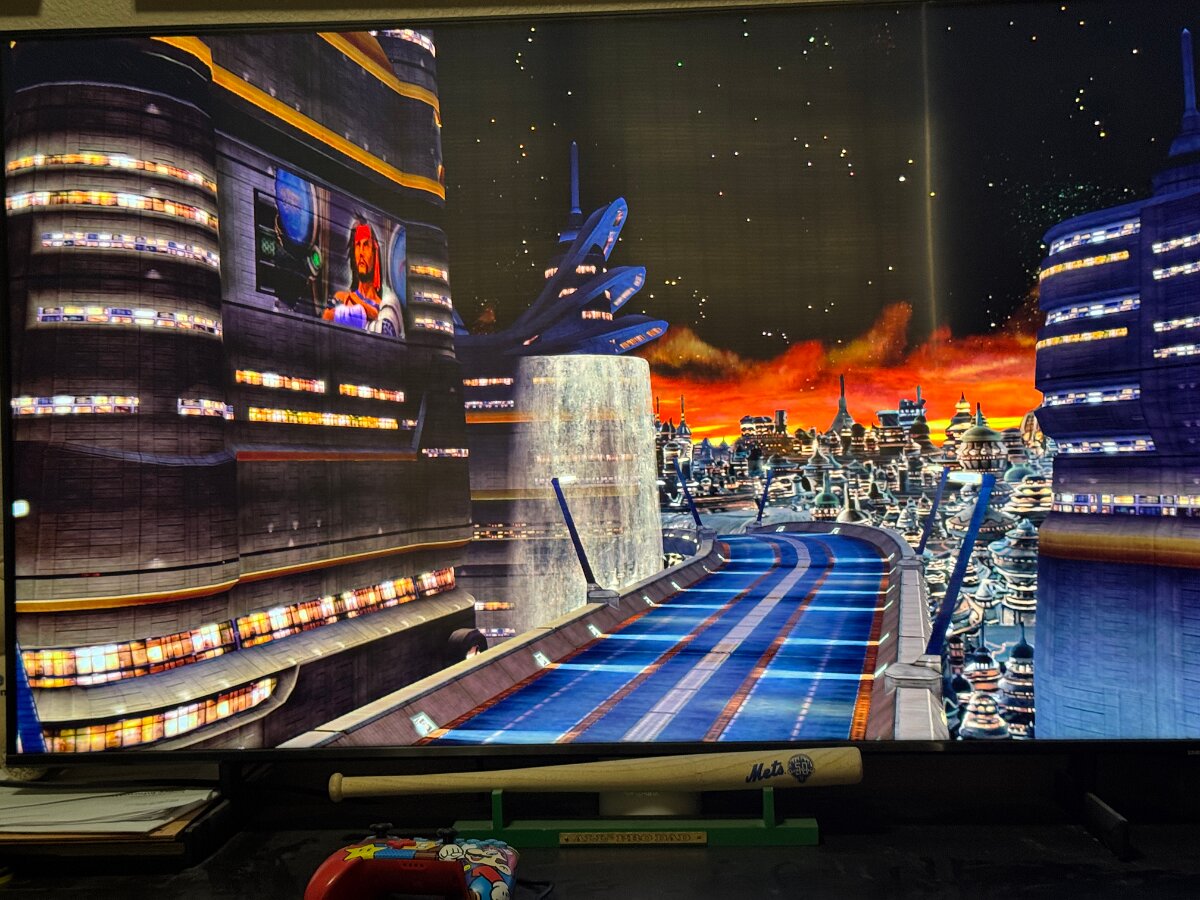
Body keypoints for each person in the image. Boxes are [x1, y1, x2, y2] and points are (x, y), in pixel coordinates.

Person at [325, 221, 383, 330]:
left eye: (366, 245)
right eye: (358, 245)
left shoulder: (382, 307)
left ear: (374, 252)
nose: (361, 252)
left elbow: (375, 315)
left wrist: (353, 299)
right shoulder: (341, 297)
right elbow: (325, 320)